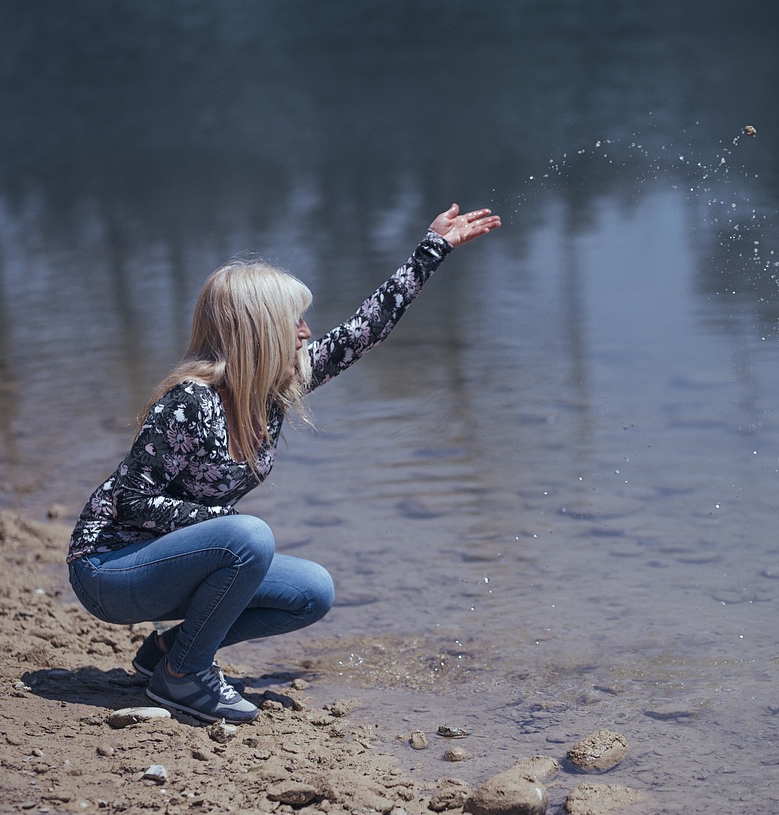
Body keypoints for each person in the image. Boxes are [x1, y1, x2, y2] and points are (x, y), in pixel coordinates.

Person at [67, 204, 501, 723]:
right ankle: (186, 677)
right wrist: (223, 528)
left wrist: (432, 250)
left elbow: (363, 332)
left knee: (310, 591)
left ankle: (167, 655)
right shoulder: (189, 402)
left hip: (171, 562)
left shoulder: (274, 389)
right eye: (293, 321)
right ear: (258, 333)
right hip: (110, 569)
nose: (305, 332)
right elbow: (132, 501)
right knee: (248, 536)